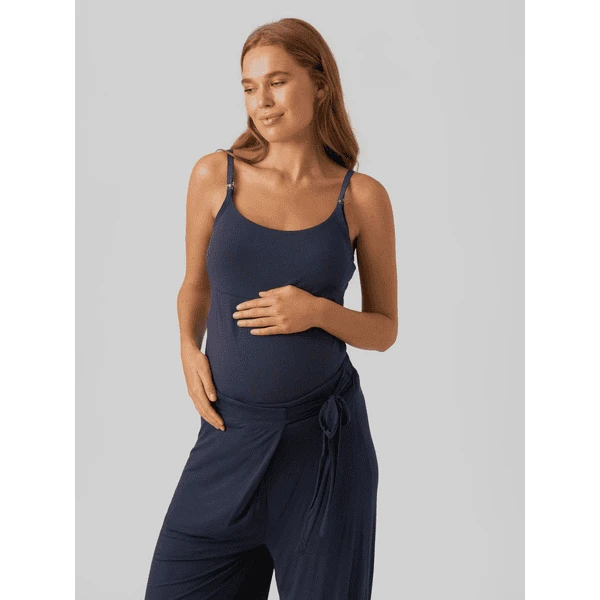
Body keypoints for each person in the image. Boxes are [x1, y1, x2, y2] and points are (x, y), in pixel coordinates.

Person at [144, 17, 397, 600]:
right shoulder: (215, 175)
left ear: (320, 84)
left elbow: (384, 329)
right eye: (249, 86)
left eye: (277, 82)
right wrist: (187, 347)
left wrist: (317, 311)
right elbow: (195, 285)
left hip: (325, 452)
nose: (261, 101)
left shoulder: (361, 197)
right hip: (228, 440)